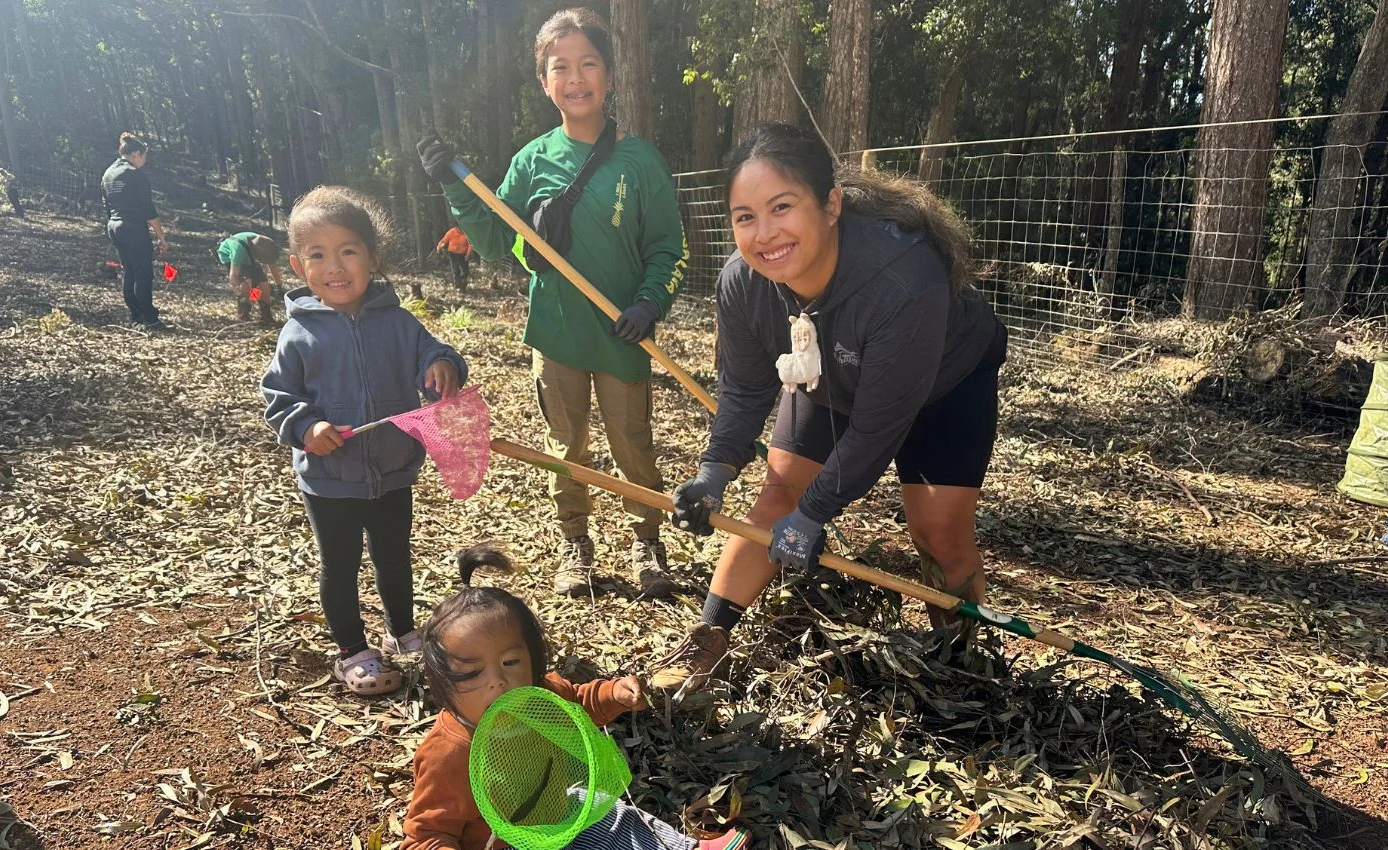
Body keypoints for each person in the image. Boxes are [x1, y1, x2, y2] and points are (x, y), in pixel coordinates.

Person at [654, 123, 1008, 696]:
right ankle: (704, 644)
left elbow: (877, 427)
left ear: (831, 205)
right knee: (777, 494)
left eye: (782, 207)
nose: (764, 234)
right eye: (745, 216)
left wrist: (815, 514)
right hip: (827, 372)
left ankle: (962, 660)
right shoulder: (743, 283)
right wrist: (713, 472)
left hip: (944, 383)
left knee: (937, 531)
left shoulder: (902, 280)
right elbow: (744, 390)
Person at [418, 7, 687, 598]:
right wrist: (450, 184)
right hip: (556, 333)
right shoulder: (532, 160)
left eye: (588, 63)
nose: (575, 77)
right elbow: (491, 239)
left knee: (632, 446)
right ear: (544, 83)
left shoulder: (639, 161)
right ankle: (576, 543)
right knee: (567, 448)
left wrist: (649, 303)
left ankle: (648, 540)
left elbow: (671, 247)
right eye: (560, 67)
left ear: (609, 76)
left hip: (623, 335)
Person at [402, 544, 750, 850]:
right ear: (443, 684)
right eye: (472, 672)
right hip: (508, 844)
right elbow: (427, 834)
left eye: (510, 662)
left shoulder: (542, 697)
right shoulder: (449, 754)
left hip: (561, 812)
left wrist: (614, 694)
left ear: (533, 660)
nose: (497, 681)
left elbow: (580, 704)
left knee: (617, 818)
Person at [261, 186, 469, 697]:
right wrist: (307, 428)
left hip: (394, 468)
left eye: (347, 251)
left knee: (395, 556)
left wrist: (443, 365)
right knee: (340, 565)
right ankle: (351, 649)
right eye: (318, 255)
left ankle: (404, 632)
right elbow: (279, 397)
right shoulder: (298, 334)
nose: (335, 266)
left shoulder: (399, 322)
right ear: (298, 266)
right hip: (329, 480)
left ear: (373, 259)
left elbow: (435, 352)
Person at [101, 132, 169, 330]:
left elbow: (106, 204)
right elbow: (149, 210)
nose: (144, 162)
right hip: (133, 228)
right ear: (137, 153)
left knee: (129, 270)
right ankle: (150, 318)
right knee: (143, 273)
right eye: (144, 157)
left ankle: (136, 314)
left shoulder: (108, 174)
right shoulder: (135, 174)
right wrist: (162, 237)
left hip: (114, 226)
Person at [217, 231, 284, 325]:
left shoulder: (265, 246)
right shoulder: (238, 251)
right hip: (229, 256)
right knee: (246, 286)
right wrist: (243, 292)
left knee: (264, 287)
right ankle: (243, 314)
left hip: (249, 258)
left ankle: (266, 316)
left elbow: (273, 268)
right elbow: (234, 275)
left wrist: (279, 286)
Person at [434, 224, 472, 289]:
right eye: (459, 229)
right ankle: (457, 285)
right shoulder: (451, 232)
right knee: (455, 269)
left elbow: (470, 244)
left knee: (465, 271)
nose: (460, 230)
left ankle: (463, 284)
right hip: (453, 253)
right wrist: (439, 247)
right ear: (456, 227)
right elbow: (444, 240)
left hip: (463, 254)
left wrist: (468, 254)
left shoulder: (467, 232)